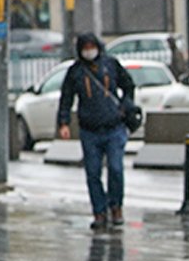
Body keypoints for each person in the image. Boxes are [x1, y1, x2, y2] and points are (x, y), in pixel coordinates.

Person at [57, 33, 135, 230]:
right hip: (89, 130)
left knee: (116, 169)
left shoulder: (111, 65)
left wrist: (126, 105)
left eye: (92, 46)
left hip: (114, 127)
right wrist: (64, 123)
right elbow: (66, 98)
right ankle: (99, 211)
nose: (89, 51)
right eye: (86, 47)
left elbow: (128, 85)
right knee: (93, 173)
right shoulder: (76, 72)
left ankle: (116, 206)